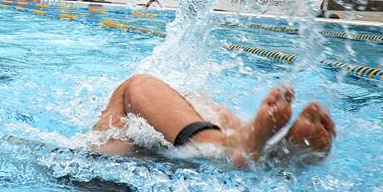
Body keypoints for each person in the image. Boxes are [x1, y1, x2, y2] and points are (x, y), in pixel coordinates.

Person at [90, 74, 335, 169]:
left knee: (205, 106)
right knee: (133, 87)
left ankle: (270, 152)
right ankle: (238, 145)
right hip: (112, 168)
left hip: (128, 167)